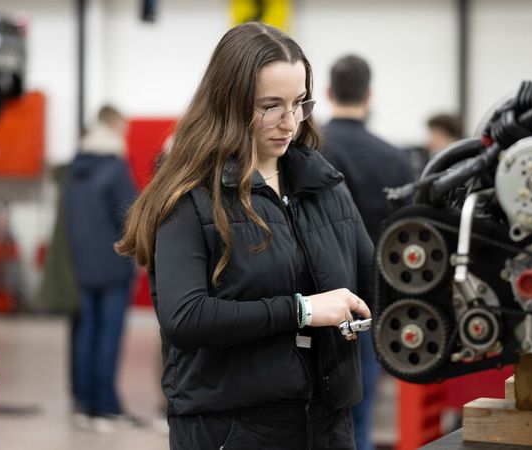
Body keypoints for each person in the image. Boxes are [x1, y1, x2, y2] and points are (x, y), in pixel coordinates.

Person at [115, 22, 373, 449]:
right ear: (229, 104)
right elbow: (186, 316)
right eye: (270, 106)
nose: (289, 123)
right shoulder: (191, 197)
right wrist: (302, 311)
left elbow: (373, 280)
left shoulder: (322, 185)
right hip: (231, 430)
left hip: (326, 425)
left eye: (299, 104)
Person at [321, 54, 414, 450]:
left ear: (328, 92)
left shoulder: (307, 152)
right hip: (372, 302)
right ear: (369, 95)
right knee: (360, 414)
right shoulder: (395, 158)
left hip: (315, 304)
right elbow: (408, 235)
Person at [65, 105, 138, 432]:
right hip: (112, 264)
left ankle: (84, 402)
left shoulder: (75, 168)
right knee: (109, 335)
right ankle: (105, 405)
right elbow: (130, 216)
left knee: (85, 333)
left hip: (81, 263)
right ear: (115, 127)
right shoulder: (114, 166)